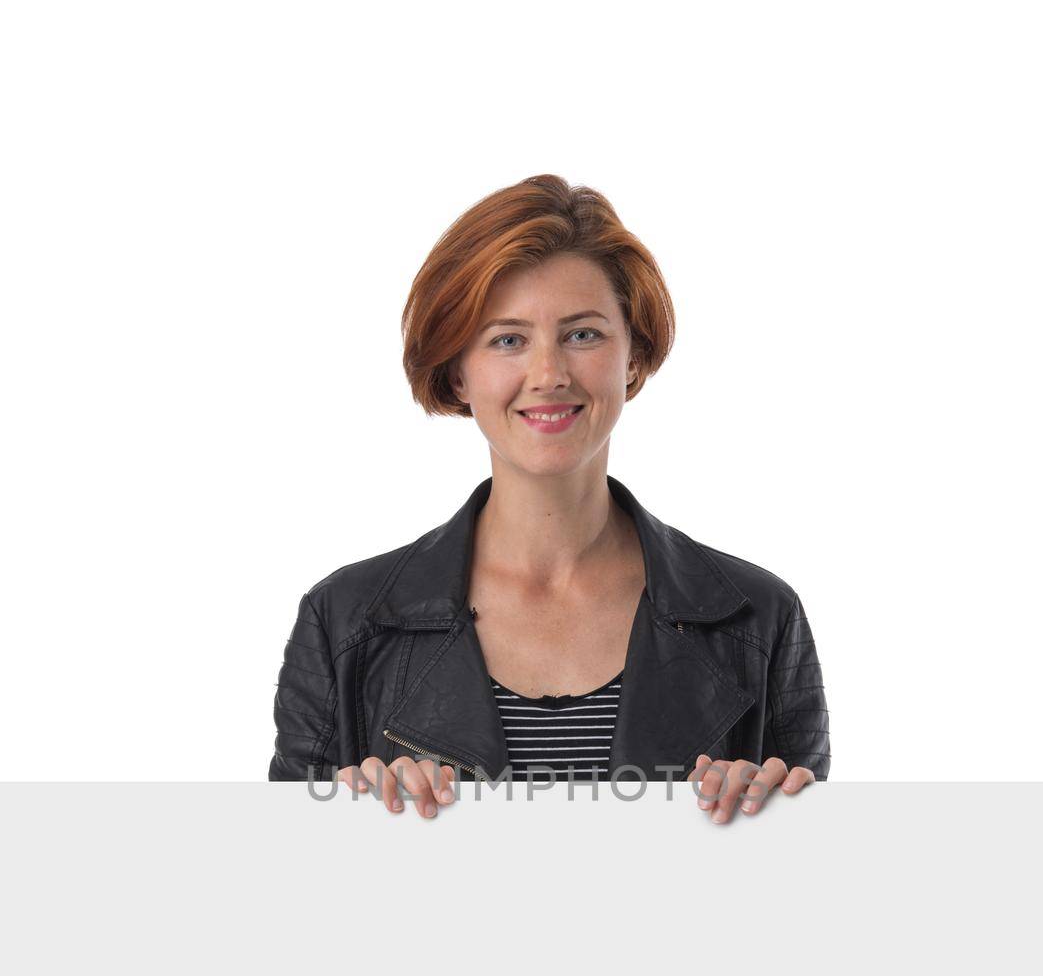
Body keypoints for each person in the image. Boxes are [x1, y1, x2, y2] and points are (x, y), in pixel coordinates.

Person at [269, 174, 830, 821]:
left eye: (582, 334)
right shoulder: (344, 620)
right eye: (508, 339)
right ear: (458, 371)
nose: (549, 375)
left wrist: (769, 820)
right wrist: (352, 822)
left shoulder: (757, 619)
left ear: (632, 354)